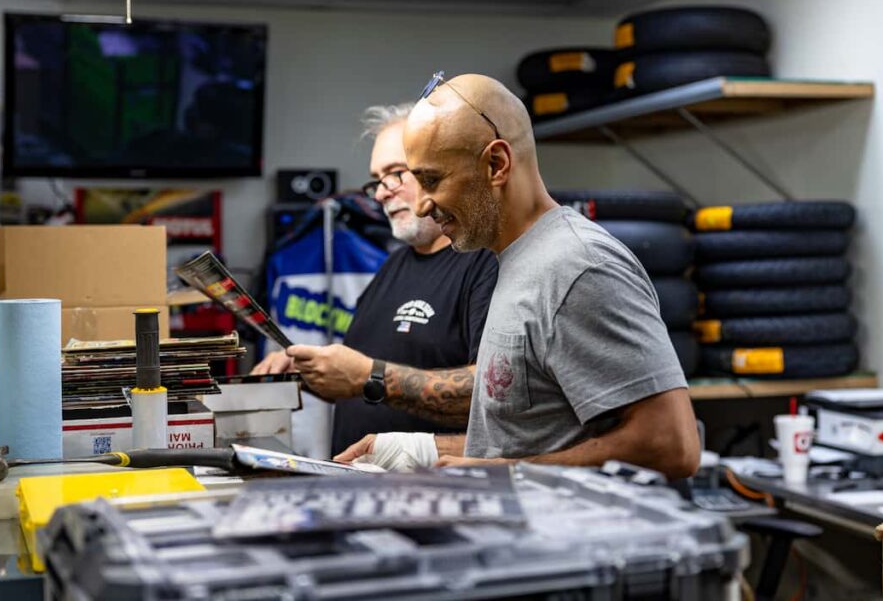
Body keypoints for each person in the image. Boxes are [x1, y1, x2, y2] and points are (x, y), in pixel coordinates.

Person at [335, 74, 701, 479]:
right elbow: (534, 430)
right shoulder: (511, 260)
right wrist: (426, 448)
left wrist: (499, 471)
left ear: (496, 164)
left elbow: (670, 445)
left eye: (432, 181)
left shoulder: (578, 267)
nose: (422, 206)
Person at [253, 103, 498, 455]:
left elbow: (490, 394)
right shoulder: (394, 264)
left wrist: (369, 375)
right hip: (361, 490)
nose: (382, 192)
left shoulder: (484, 262)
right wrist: (308, 373)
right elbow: (365, 384)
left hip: (431, 496)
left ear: (439, 171)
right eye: (377, 181)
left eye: (397, 173)